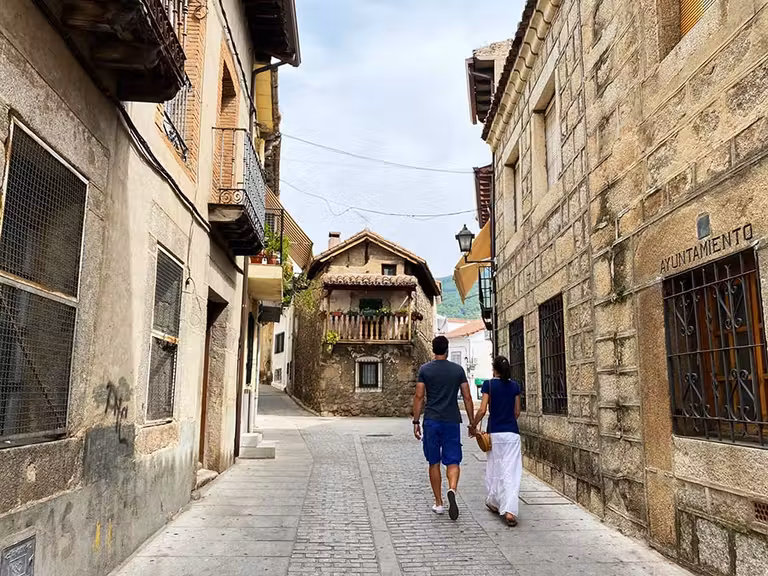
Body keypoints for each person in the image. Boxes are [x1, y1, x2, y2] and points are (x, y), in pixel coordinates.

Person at [412, 335, 475, 520]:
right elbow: (467, 396)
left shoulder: (425, 370)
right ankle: (452, 489)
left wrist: (416, 421)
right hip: (452, 420)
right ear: (447, 350)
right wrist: (472, 422)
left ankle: (439, 502)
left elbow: (419, 396)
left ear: (433, 350)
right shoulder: (458, 371)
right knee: (453, 460)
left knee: (434, 461)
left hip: (431, 420)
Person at [471, 356, 522, 527]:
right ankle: (509, 511)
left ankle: (494, 501)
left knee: (495, 467)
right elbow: (517, 412)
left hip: (495, 434)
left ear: (495, 369)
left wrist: (473, 425)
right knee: (512, 471)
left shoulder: (489, 385)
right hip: (512, 434)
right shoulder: (515, 386)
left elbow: (483, 409)